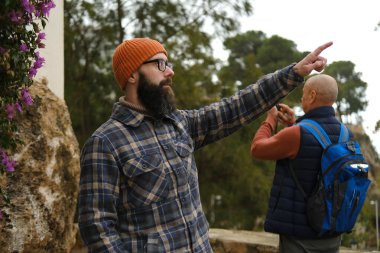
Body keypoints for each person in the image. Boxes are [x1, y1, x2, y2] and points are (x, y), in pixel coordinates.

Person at [78, 37, 332, 252]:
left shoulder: (179, 123)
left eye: (168, 63)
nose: (170, 71)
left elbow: (236, 107)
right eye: (160, 64)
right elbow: (97, 228)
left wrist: (294, 74)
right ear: (132, 74)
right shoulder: (105, 143)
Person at [251, 74, 346, 253]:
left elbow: (257, 149)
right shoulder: (345, 133)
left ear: (312, 95)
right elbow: (312, 158)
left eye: (303, 93)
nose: (302, 98)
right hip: (332, 237)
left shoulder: (298, 134)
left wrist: (270, 120)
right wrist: (293, 124)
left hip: (300, 240)